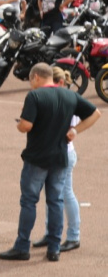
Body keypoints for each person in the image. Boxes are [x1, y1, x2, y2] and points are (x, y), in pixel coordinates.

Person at [0, 63, 100, 263]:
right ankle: (54, 248)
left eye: (30, 80)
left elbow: (26, 125)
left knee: (29, 201)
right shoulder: (69, 95)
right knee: (55, 201)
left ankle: (22, 246)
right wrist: (75, 130)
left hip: (37, 157)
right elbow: (95, 113)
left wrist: (20, 124)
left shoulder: (34, 96)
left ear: (36, 77)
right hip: (60, 156)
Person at [32, 67, 84, 253]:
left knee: (66, 193)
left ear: (59, 83)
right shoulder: (61, 98)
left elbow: (82, 119)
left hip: (64, 153)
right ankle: (50, 233)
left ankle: (73, 236)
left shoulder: (68, 99)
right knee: (52, 196)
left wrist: (74, 131)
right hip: (53, 152)